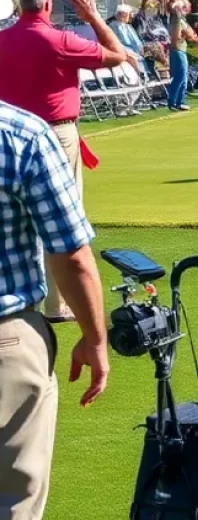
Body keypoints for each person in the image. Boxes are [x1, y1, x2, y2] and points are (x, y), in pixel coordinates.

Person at [0, 100, 109, 519]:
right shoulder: (21, 134)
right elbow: (72, 255)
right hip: (8, 340)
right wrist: (95, 339)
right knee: (13, 504)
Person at [0, 0, 128, 321]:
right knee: (59, 218)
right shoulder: (60, 40)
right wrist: (93, 17)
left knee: (13, 219)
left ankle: (24, 296)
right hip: (55, 135)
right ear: (47, 5)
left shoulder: (3, 40)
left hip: (7, 135)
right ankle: (57, 304)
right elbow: (118, 54)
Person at [166, 0, 197, 112]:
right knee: (180, 77)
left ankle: (177, 101)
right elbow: (176, 36)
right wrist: (186, 35)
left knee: (181, 77)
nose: (186, 9)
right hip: (178, 50)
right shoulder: (177, 19)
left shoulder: (180, 19)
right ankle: (176, 101)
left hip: (180, 50)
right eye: (184, 7)